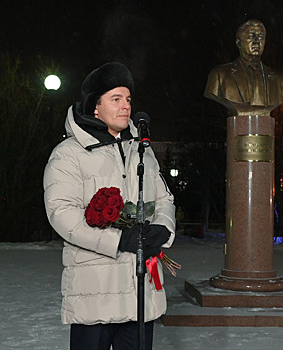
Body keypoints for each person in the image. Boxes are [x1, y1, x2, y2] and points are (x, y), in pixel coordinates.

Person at [43, 62, 176, 350]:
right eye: (115, 99)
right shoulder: (68, 155)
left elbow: (165, 199)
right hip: (95, 291)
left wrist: (162, 228)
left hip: (139, 291)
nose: (125, 106)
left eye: (128, 99)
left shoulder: (142, 150)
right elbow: (63, 215)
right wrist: (119, 240)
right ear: (95, 106)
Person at [204, 19, 283, 116]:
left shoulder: (278, 79)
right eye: (251, 37)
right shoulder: (219, 75)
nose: (256, 42)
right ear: (238, 43)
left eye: (261, 37)